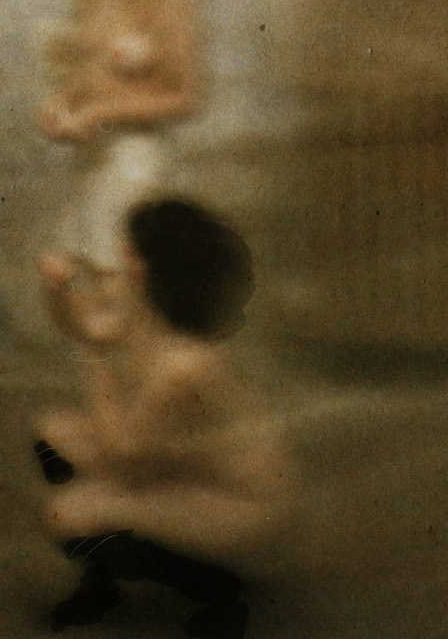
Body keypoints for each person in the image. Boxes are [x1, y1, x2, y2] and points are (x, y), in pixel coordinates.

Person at [34, 200, 292, 639]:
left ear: (139, 272)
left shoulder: (186, 362)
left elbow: (123, 453)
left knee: (66, 513)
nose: (113, 270)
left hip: (243, 516)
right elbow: (84, 324)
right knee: (54, 431)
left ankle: (219, 597)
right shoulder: (152, 323)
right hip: (193, 480)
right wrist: (59, 290)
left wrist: (94, 352)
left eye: (123, 259)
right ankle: (105, 582)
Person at [36, 0, 201, 294]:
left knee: (114, 297)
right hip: (90, 163)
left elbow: (185, 95)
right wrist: (61, 103)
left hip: (133, 165)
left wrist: (97, 113)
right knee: (68, 285)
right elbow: (92, 72)